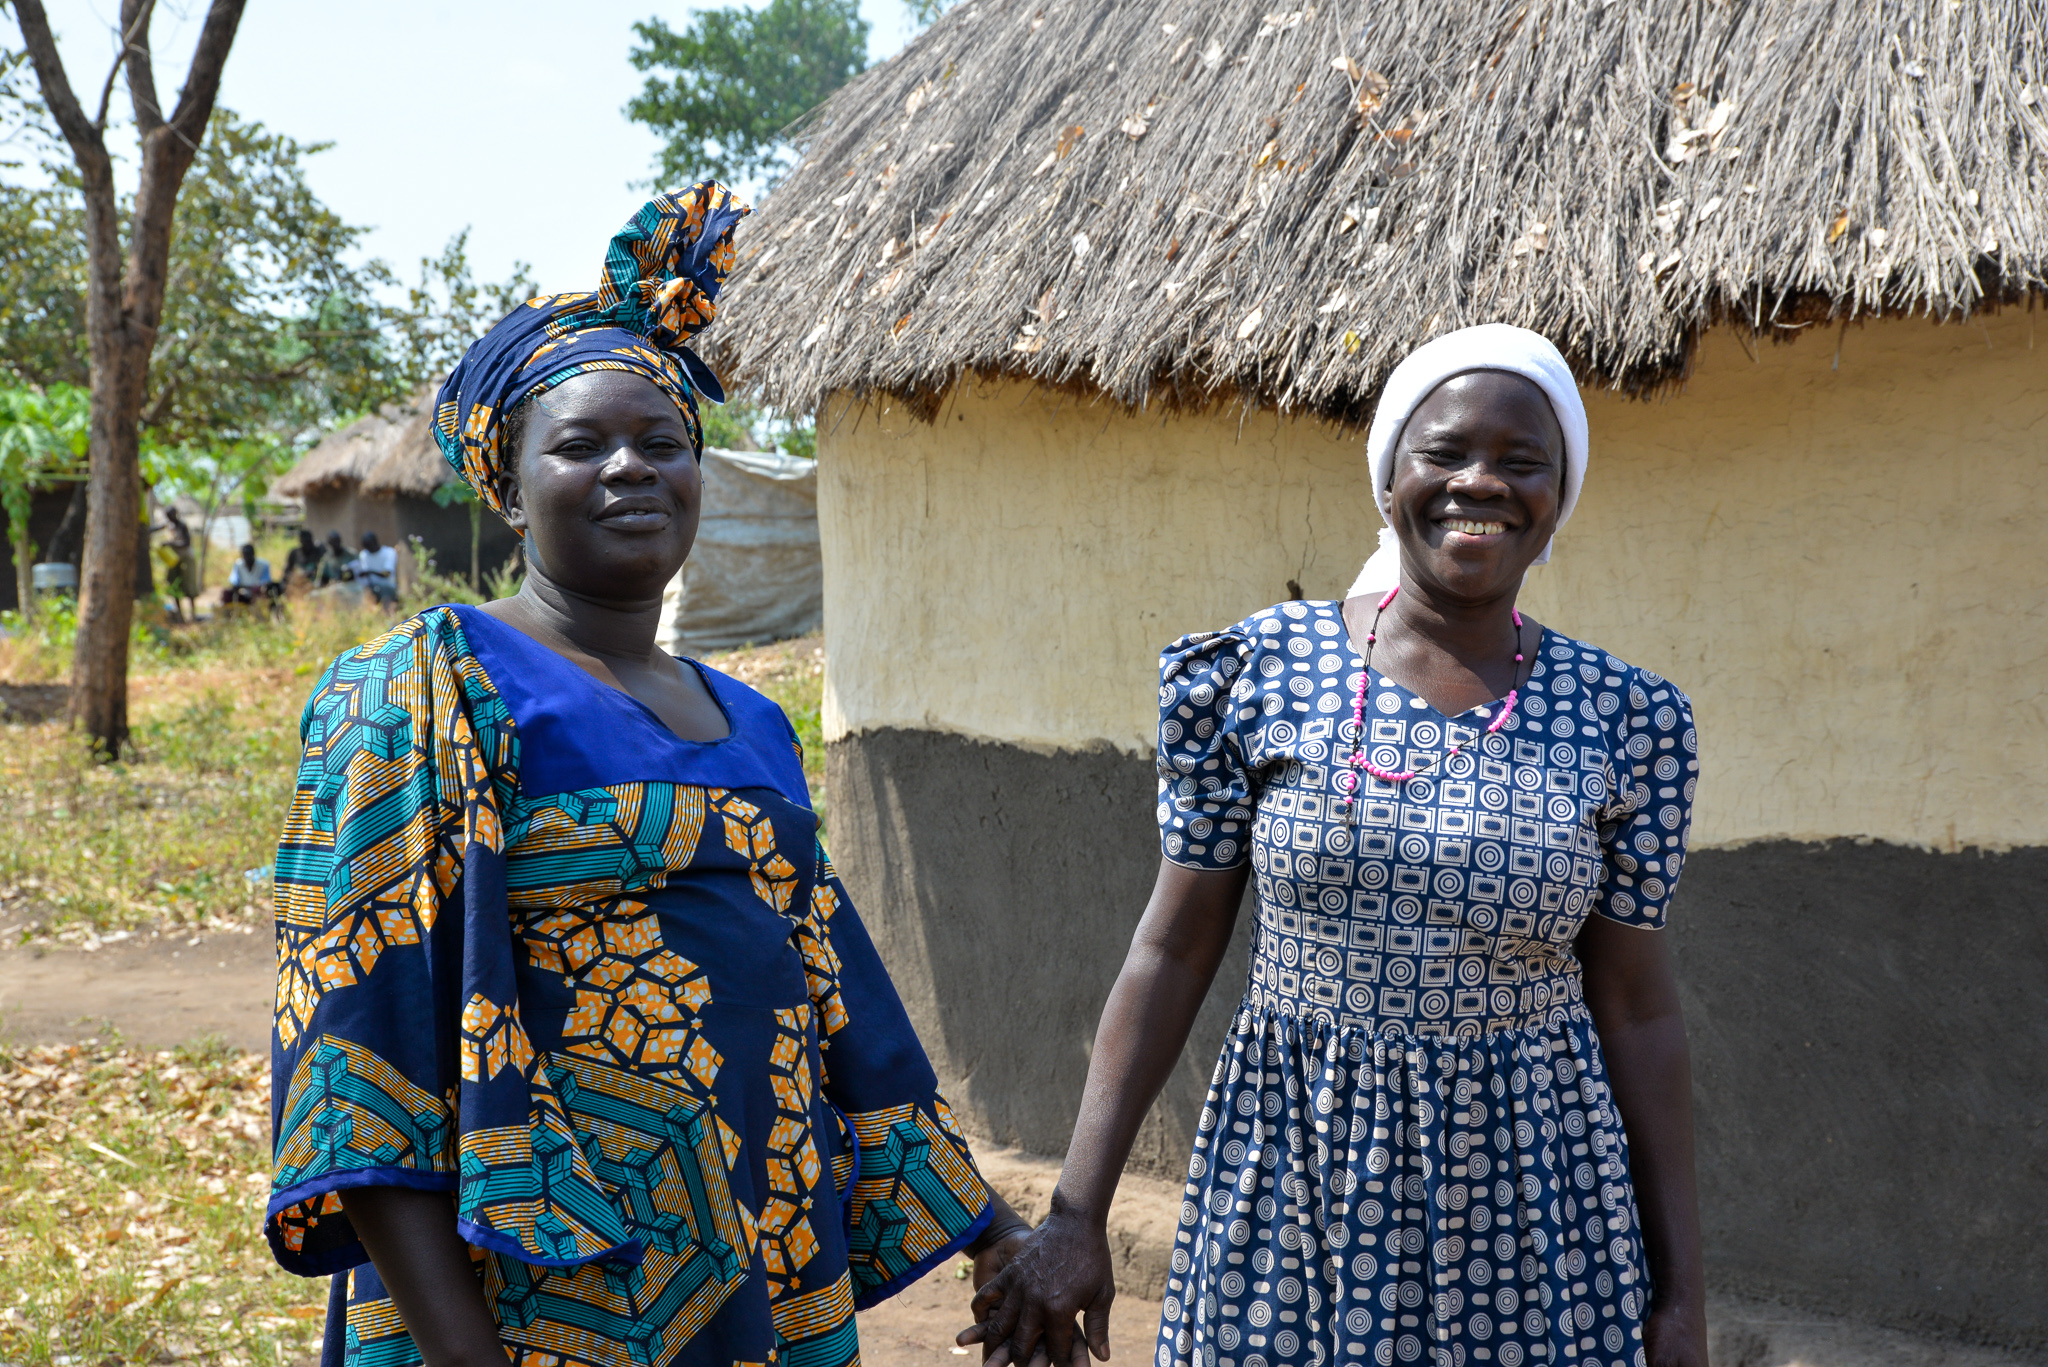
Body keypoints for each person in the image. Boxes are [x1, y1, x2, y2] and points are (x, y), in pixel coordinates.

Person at [264, 181, 1029, 1367]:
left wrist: (993, 1234)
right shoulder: (423, 688)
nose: (631, 467)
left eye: (663, 442)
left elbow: (840, 998)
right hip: (527, 1294)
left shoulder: (751, 721)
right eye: (580, 444)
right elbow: (360, 1044)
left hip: (764, 1266)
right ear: (506, 489)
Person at [967, 325, 1707, 1367]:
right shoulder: (1254, 671)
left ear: (1558, 497)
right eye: (1443, 452)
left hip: (1538, 1197)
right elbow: (1171, 948)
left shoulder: (1629, 718)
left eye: (1520, 460)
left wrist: (1679, 1294)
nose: (1478, 481)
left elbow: (1636, 1005)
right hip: (1296, 1173)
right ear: (1389, 475)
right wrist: (1077, 1211)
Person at [155, 504, 198, 622]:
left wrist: (170, 544)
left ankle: (193, 615)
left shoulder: (182, 526)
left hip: (186, 558)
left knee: (189, 586)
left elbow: (186, 543)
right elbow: (156, 528)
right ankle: (180, 615)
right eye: (168, 516)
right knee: (174, 585)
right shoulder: (169, 526)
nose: (170, 518)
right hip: (174, 560)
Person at [221, 542, 276, 609]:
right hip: (243, 594)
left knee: (265, 591)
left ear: (253, 554)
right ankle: (229, 613)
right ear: (242, 555)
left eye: (249, 554)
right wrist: (239, 588)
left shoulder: (264, 565)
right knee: (227, 593)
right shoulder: (238, 565)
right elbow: (234, 582)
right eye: (245, 555)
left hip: (259, 595)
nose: (247, 557)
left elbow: (266, 583)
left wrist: (255, 588)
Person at [352, 530, 398, 606]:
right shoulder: (364, 554)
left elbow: (387, 573)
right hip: (371, 587)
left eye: (369, 545)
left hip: (388, 587)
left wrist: (370, 572)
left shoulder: (389, 552)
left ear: (375, 542)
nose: (368, 549)